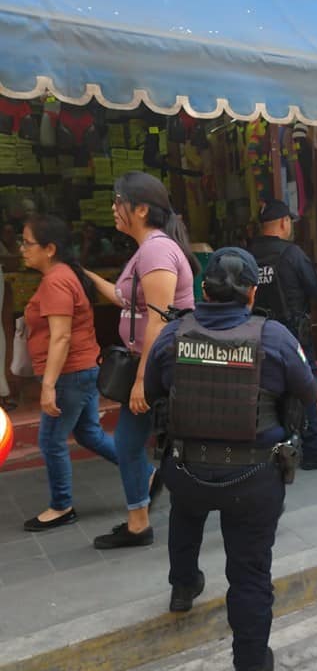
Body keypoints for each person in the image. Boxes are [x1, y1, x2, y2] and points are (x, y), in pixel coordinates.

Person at [144, 247, 316, 671]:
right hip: (253, 476)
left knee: (184, 513)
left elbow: (151, 390)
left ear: (203, 289)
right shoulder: (274, 337)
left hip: (188, 468)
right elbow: (308, 390)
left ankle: (183, 587)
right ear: (252, 292)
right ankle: (249, 670)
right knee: (249, 573)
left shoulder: (171, 335)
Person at [84, 172, 198, 550]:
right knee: (136, 444)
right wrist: (85, 277)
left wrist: (141, 381)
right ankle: (140, 515)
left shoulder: (155, 251)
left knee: (135, 444)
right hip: (150, 364)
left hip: (157, 366)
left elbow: (160, 318)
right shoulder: (146, 249)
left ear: (142, 208)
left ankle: (141, 521)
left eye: (119, 201)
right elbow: (125, 299)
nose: (114, 208)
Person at [20, 214, 118, 530]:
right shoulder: (64, 275)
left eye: (27, 242)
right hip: (82, 369)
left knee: (50, 440)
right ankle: (145, 473)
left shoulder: (56, 280)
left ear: (49, 248)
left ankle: (61, 506)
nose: (22, 248)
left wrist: (48, 386)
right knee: (89, 433)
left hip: (70, 374)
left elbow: (60, 336)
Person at [249, 199, 317, 470]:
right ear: (283, 223)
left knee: (268, 390)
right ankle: (312, 449)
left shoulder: (248, 254)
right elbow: (316, 287)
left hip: (258, 332)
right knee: (306, 386)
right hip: (292, 334)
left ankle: (276, 448)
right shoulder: (292, 254)